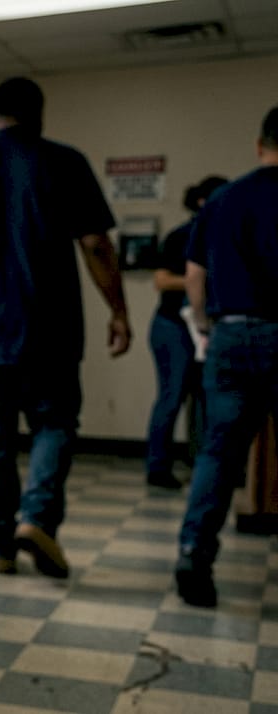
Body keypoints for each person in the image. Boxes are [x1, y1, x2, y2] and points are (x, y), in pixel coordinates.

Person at [0, 77, 131, 579]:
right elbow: (97, 245)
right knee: (55, 426)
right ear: (39, 115)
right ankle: (37, 520)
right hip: (50, 329)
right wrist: (119, 311)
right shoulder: (65, 162)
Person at [175, 107, 278, 608]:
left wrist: (202, 324)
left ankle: (195, 555)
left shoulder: (223, 199)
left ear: (260, 145)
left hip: (230, 335)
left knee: (218, 453)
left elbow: (194, 274)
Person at [145, 175, 228, 490]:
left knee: (206, 400)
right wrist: (198, 280)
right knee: (171, 396)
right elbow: (162, 280)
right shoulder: (182, 236)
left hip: (205, 327)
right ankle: (158, 467)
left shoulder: (223, 235)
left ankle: (202, 466)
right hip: (173, 327)